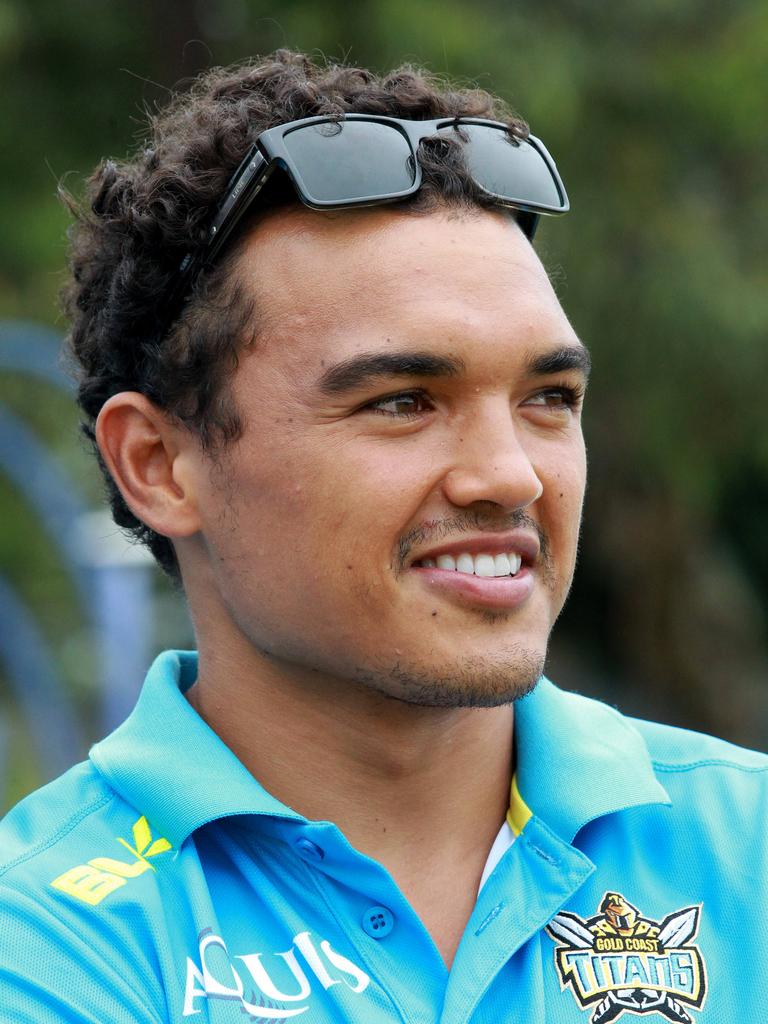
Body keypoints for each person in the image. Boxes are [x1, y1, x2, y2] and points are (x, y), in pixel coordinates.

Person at [0, 50, 765, 1024]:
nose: (511, 474)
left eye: (548, 398)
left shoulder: (747, 851)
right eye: (403, 401)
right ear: (158, 463)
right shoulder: (45, 938)